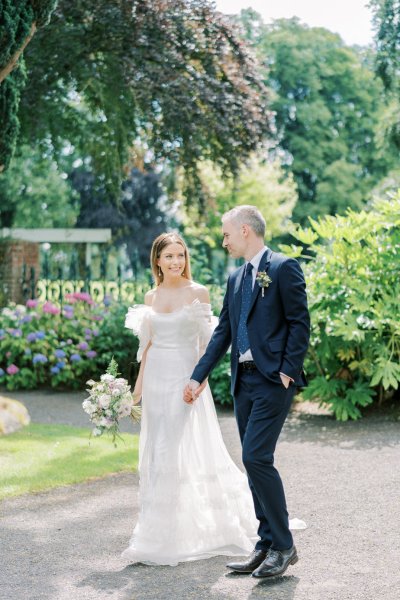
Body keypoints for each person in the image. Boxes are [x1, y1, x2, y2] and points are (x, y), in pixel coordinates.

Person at [184, 205, 310, 578]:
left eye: (225, 234)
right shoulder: (236, 279)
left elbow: (300, 323)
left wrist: (287, 372)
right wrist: (197, 376)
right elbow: (223, 331)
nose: (223, 241)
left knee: (256, 457)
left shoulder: (284, 267)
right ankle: (266, 543)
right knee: (251, 461)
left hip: (274, 380)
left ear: (244, 231)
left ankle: (285, 546)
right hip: (244, 381)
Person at [121, 232, 259, 566]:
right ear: (157, 260)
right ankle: (155, 531)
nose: (175, 262)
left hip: (186, 377)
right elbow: (147, 348)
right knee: (157, 449)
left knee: (176, 447)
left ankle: (176, 533)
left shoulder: (198, 292)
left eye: (180, 255)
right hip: (156, 380)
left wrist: (200, 380)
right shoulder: (151, 296)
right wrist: (134, 393)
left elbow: (206, 344)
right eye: (168, 256)